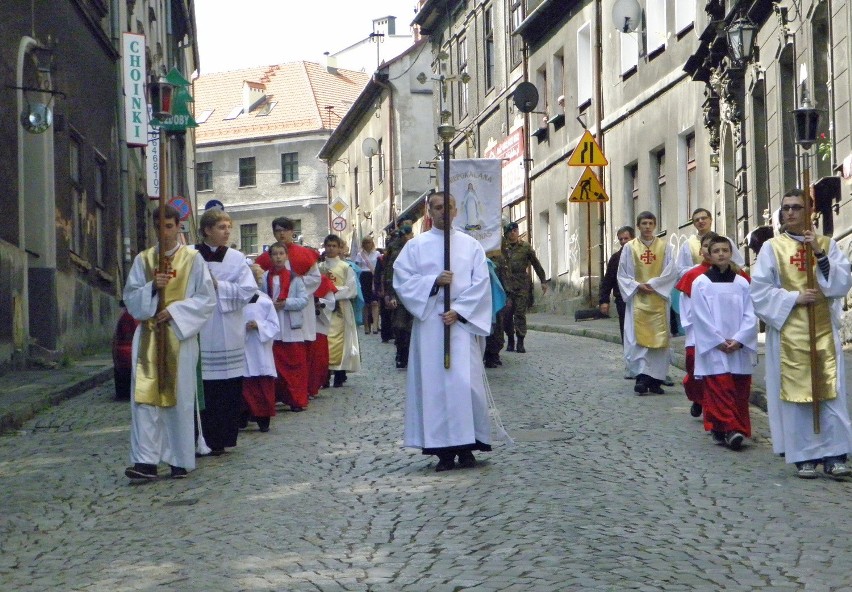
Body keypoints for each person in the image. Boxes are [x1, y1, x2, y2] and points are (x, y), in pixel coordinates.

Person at [750, 188, 852, 479]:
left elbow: (840, 283)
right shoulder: (772, 248)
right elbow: (759, 291)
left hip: (822, 331)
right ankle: (805, 455)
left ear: (811, 212)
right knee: (796, 395)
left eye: (796, 207)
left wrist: (818, 254)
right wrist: (793, 298)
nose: (790, 213)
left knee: (829, 392)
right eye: (786, 208)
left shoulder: (827, 245)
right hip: (787, 333)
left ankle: (834, 454)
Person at [393, 192, 493, 472]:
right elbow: (402, 281)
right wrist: (433, 282)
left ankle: (468, 445)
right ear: (429, 211)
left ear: (456, 210)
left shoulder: (470, 245)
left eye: (447, 207)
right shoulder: (415, 247)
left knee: (465, 384)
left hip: (459, 324)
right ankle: (443, 451)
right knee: (435, 386)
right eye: (437, 208)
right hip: (431, 325)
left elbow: (481, 283)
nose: (443, 212)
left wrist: (460, 310)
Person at [123, 205, 216, 480]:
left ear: (179, 227)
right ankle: (145, 461)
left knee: (179, 398)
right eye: (159, 227)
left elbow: (206, 298)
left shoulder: (193, 259)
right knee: (145, 400)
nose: (164, 233)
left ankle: (179, 458)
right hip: (149, 336)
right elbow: (130, 298)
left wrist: (175, 311)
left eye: (169, 226)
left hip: (178, 335)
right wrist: (153, 287)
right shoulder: (143, 260)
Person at [196, 209, 257, 455]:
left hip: (227, 328)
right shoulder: (190, 256)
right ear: (207, 230)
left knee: (227, 388)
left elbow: (247, 291)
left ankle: (221, 439)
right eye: (221, 227)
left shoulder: (236, 258)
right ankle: (199, 437)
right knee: (202, 386)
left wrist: (218, 285)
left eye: (228, 227)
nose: (227, 231)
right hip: (199, 328)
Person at [691, 235, 757, 450]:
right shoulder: (700, 283)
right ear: (709, 254)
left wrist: (739, 339)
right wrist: (717, 341)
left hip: (737, 346)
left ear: (731, 253)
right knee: (719, 388)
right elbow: (700, 316)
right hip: (715, 347)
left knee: (738, 389)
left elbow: (750, 313)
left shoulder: (742, 283)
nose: (721, 254)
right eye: (716, 250)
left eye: (725, 250)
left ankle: (723, 428)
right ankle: (731, 429)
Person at [617, 211, 678, 395]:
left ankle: (656, 379)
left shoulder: (665, 247)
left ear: (655, 225)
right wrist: (637, 285)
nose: (647, 227)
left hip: (658, 298)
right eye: (644, 223)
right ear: (638, 226)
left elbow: (670, 272)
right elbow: (623, 273)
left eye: (651, 223)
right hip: (638, 299)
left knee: (659, 341)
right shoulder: (630, 248)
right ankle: (642, 377)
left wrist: (653, 285)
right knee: (639, 340)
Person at [262, 242, 310, 412]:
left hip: (290, 325)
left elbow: (303, 300)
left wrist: (286, 303)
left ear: (286, 256)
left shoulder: (295, 278)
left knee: (294, 366)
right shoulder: (265, 277)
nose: (278, 257)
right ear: (270, 257)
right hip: (273, 326)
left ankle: (297, 399)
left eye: (281, 253)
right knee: (275, 366)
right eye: (275, 254)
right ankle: (278, 397)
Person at [675, 232, 718, 418]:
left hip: (725, 332)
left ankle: (713, 408)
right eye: (707, 246)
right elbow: (686, 307)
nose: (711, 250)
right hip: (697, 332)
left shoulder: (733, 274)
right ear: (702, 250)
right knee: (694, 367)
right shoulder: (692, 275)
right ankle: (697, 398)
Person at [321, 234, 362, 387]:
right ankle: (324, 374)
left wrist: (331, 292)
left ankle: (339, 372)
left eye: (334, 246)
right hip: (323, 309)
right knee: (324, 340)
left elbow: (352, 290)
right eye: (328, 246)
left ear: (339, 248)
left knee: (341, 340)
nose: (331, 249)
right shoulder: (319, 267)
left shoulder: (345, 267)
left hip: (341, 308)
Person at [502, 221, 548, 353]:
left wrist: (543, 280)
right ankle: (510, 339)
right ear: (506, 233)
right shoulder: (502, 248)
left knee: (520, 314)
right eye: (510, 231)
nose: (513, 233)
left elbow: (536, 264)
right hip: (506, 285)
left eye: (515, 230)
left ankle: (520, 341)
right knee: (506, 315)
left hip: (522, 285)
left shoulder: (525, 247)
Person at [241, 287, 280, 433]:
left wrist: (259, 325)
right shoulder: (235, 303)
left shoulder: (264, 303)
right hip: (242, 349)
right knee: (243, 388)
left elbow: (275, 326)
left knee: (262, 386)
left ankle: (263, 419)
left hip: (259, 349)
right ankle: (242, 418)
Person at [383, 220, 415, 369]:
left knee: (411, 327)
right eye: (408, 234)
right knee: (399, 326)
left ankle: (408, 355)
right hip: (398, 293)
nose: (410, 237)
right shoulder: (394, 251)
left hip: (414, 293)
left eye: (412, 234)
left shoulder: (416, 249)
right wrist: (390, 294)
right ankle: (401, 352)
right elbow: (389, 273)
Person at [677, 208, 744, 277]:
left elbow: (739, 263)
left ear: (711, 220)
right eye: (697, 220)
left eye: (703, 218)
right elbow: (680, 270)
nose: (700, 221)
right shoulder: (688, 245)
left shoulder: (724, 240)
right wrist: (699, 269)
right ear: (694, 224)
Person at [599, 226, 635, 342]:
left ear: (633, 238)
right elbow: (608, 280)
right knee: (625, 329)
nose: (623, 242)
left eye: (626, 238)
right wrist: (604, 300)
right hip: (622, 299)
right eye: (621, 239)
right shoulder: (615, 258)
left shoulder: (639, 255)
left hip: (639, 297)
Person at [308, 274, 338, 398]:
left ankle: (313, 386)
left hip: (318, 323)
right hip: (301, 324)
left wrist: (318, 302)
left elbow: (331, 303)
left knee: (318, 358)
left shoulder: (322, 280)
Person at [353, 236, 381, 335]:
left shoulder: (377, 254)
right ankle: (366, 326)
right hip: (364, 277)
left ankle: (375, 326)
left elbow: (379, 266)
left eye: (369, 242)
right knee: (365, 303)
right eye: (366, 242)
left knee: (375, 302)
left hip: (374, 277)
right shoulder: (359, 255)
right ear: (363, 244)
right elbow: (356, 268)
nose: (368, 244)